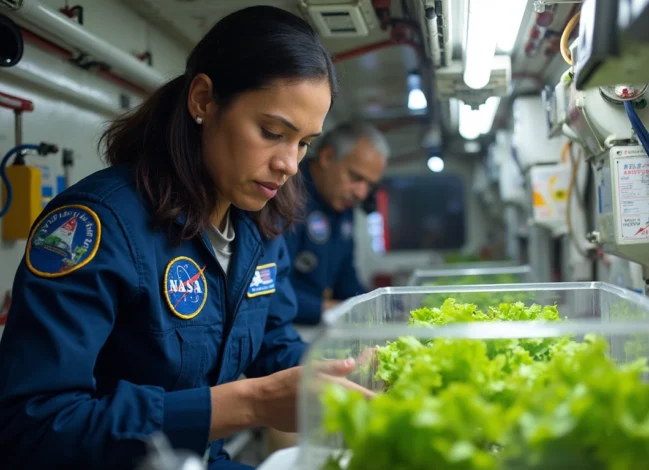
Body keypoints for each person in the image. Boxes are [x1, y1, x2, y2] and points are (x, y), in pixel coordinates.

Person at [0, 6, 371, 470]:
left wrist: (355, 375)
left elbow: (273, 342)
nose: (290, 164)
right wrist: (246, 404)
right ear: (203, 100)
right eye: (273, 132)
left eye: (304, 144)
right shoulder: (99, 225)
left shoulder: (258, 223)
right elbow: (32, 425)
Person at [284, 122, 390, 326]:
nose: (361, 193)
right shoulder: (285, 195)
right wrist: (327, 309)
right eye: (356, 177)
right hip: (284, 324)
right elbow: (270, 286)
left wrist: (377, 306)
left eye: (369, 184)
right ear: (327, 157)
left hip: (319, 323)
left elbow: (346, 277)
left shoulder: (343, 206)